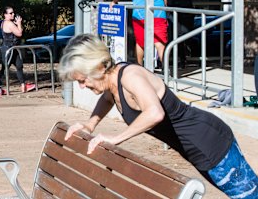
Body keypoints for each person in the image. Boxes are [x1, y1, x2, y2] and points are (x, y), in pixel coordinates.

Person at [59, 33, 258, 198]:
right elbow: (108, 99)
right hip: (196, 148)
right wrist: (90, 125)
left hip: (209, 143)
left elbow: (155, 113)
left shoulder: (130, 76)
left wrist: (115, 138)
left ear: (100, 67)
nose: (83, 87)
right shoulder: (113, 84)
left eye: (83, 80)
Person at [112, 0, 168, 66]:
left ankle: (140, 67)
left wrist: (114, 2)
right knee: (160, 44)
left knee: (140, 43)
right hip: (159, 13)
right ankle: (166, 71)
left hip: (140, 14)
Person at [0, 6, 35, 93]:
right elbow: (19, 33)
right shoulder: (9, 23)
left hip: (13, 48)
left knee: (19, 65)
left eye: (13, 12)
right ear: (5, 15)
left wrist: (18, 24)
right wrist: (19, 23)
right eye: (10, 13)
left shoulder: (6, 22)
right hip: (8, 49)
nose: (13, 14)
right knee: (5, 68)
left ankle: (23, 85)